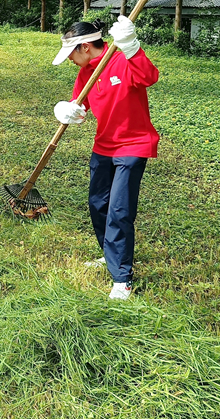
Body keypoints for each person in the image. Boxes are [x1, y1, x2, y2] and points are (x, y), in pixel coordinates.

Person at [52, 15, 159, 300]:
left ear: (85, 47)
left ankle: (122, 278)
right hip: (103, 146)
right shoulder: (85, 73)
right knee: (98, 204)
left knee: (119, 210)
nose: (71, 61)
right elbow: (79, 105)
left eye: (71, 54)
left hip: (134, 146)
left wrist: (133, 47)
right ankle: (109, 253)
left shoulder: (122, 59)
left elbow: (150, 77)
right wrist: (68, 110)